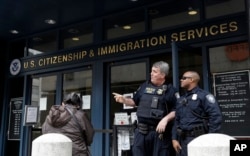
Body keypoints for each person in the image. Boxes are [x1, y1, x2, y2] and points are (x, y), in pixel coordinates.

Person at [113, 61, 179, 156]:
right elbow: (134, 102)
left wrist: (165, 119)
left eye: (155, 71)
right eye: (151, 71)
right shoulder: (145, 86)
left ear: (162, 75)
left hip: (159, 134)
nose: (151, 73)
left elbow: (177, 109)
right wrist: (123, 100)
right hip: (141, 133)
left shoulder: (170, 90)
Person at [172, 71, 222, 156]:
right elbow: (177, 120)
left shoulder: (204, 96)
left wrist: (209, 138)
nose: (181, 80)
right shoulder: (181, 100)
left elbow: (216, 117)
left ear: (191, 79)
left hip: (199, 139)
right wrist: (174, 138)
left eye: (184, 78)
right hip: (182, 140)